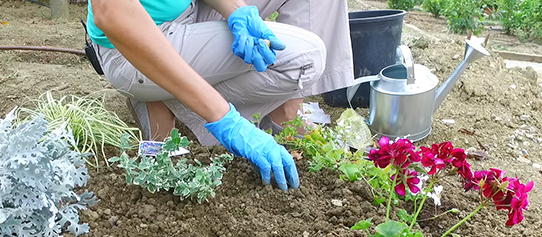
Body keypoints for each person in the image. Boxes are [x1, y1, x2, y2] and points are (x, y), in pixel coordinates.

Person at [87, 0, 353, 191]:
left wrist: (236, 11)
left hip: (189, 11)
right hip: (133, 44)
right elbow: (110, 11)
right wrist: (224, 117)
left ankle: (284, 114)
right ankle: (163, 96)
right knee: (307, 57)